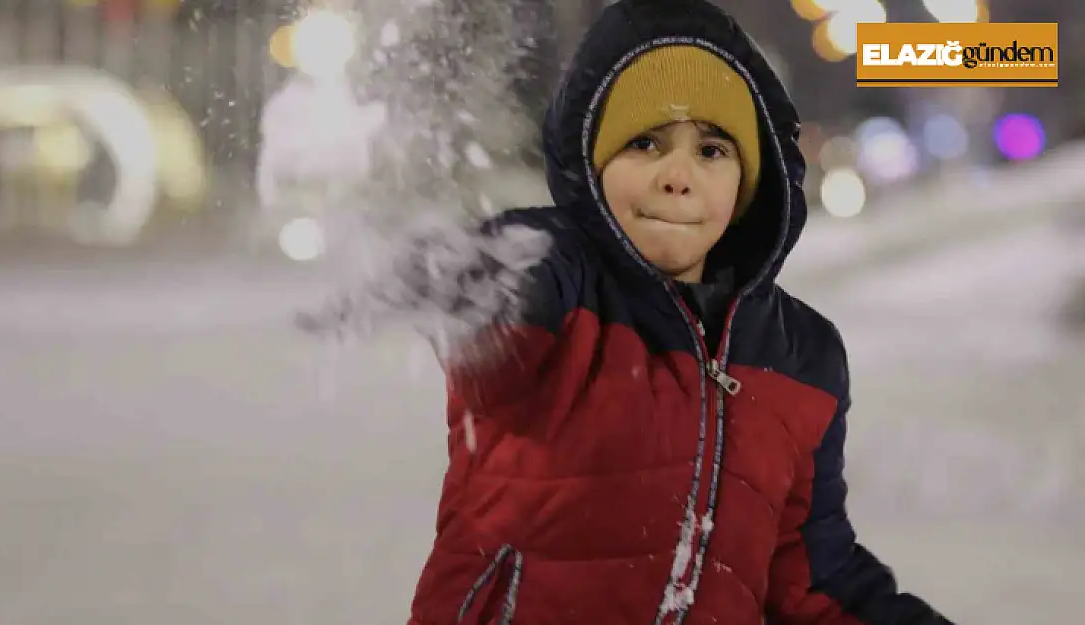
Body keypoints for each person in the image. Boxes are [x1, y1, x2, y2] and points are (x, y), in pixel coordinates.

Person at [303, 0, 954, 623]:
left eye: (711, 150)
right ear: (596, 161)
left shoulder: (801, 355)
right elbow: (510, 297)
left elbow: (815, 581)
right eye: (645, 142)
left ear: (749, 181)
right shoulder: (564, 279)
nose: (678, 173)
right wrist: (469, 282)